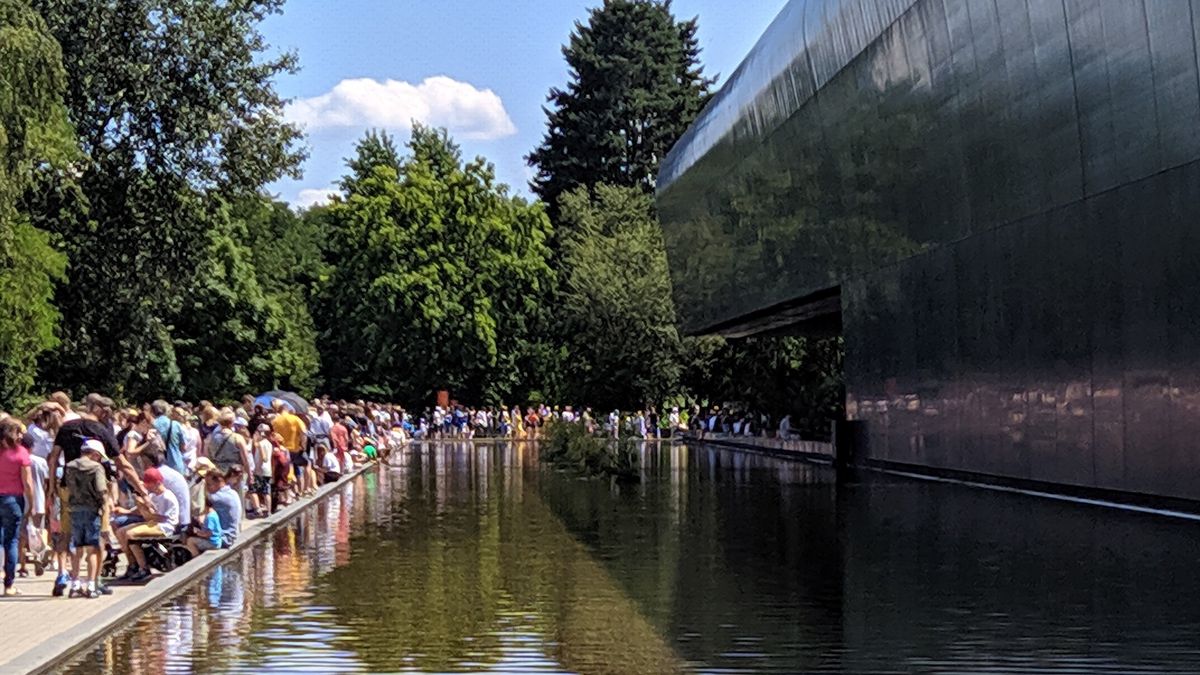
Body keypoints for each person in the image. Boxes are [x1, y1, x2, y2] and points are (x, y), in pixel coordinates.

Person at [115, 467, 179, 582]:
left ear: (157, 483)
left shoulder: (167, 497)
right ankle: (132, 564)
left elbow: (161, 517)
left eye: (149, 484)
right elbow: (140, 512)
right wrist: (126, 511)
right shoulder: (152, 496)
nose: (147, 487)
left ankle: (144, 568)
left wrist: (145, 510)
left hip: (164, 526)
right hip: (152, 523)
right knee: (121, 532)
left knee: (131, 534)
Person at [64, 439, 108, 598]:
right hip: (92, 510)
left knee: (77, 548)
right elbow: (101, 489)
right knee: (93, 549)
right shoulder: (96, 468)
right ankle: (90, 585)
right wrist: (104, 507)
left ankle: (75, 584)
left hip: (75, 509)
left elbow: (68, 487)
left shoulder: (70, 466)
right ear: (95, 454)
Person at [0, 418, 34, 596]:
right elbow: (27, 483)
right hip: (13, 499)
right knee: (11, 541)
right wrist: (32, 503)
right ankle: (9, 585)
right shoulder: (21, 453)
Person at [272, 400, 309, 496]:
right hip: (295, 448)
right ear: (287, 409)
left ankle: (291, 492)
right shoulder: (295, 419)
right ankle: (301, 491)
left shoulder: (275, 421)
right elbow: (304, 432)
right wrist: (303, 445)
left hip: (282, 449)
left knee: (285, 471)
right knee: (298, 470)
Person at [204, 469, 242, 547]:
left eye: (209, 484)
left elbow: (202, 501)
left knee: (190, 540)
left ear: (219, 482)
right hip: (233, 534)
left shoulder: (217, 498)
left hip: (225, 538)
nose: (207, 488)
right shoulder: (232, 492)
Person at [151, 400, 186, 476]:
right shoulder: (175, 424)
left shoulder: (152, 425)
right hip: (175, 463)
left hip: (157, 466)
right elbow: (183, 447)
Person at [247, 424, 273, 518]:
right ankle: (269, 511)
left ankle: (257, 510)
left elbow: (264, 458)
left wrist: (257, 468)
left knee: (253, 490)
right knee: (266, 491)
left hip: (260, 470)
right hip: (268, 470)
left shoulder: (261, 444)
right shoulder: (269, 443)